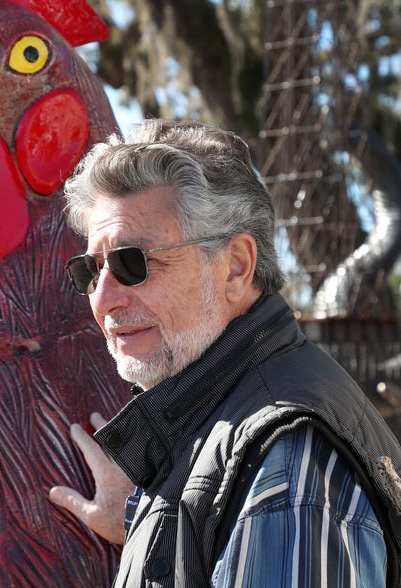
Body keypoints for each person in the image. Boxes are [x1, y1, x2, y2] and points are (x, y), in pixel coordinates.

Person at [48, 119, 401, 587]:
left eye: (133, 263)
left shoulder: (287, 473)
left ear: (235, 266)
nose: (103, 298)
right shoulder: (224, 422)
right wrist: (145, 525)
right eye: (90, 270)